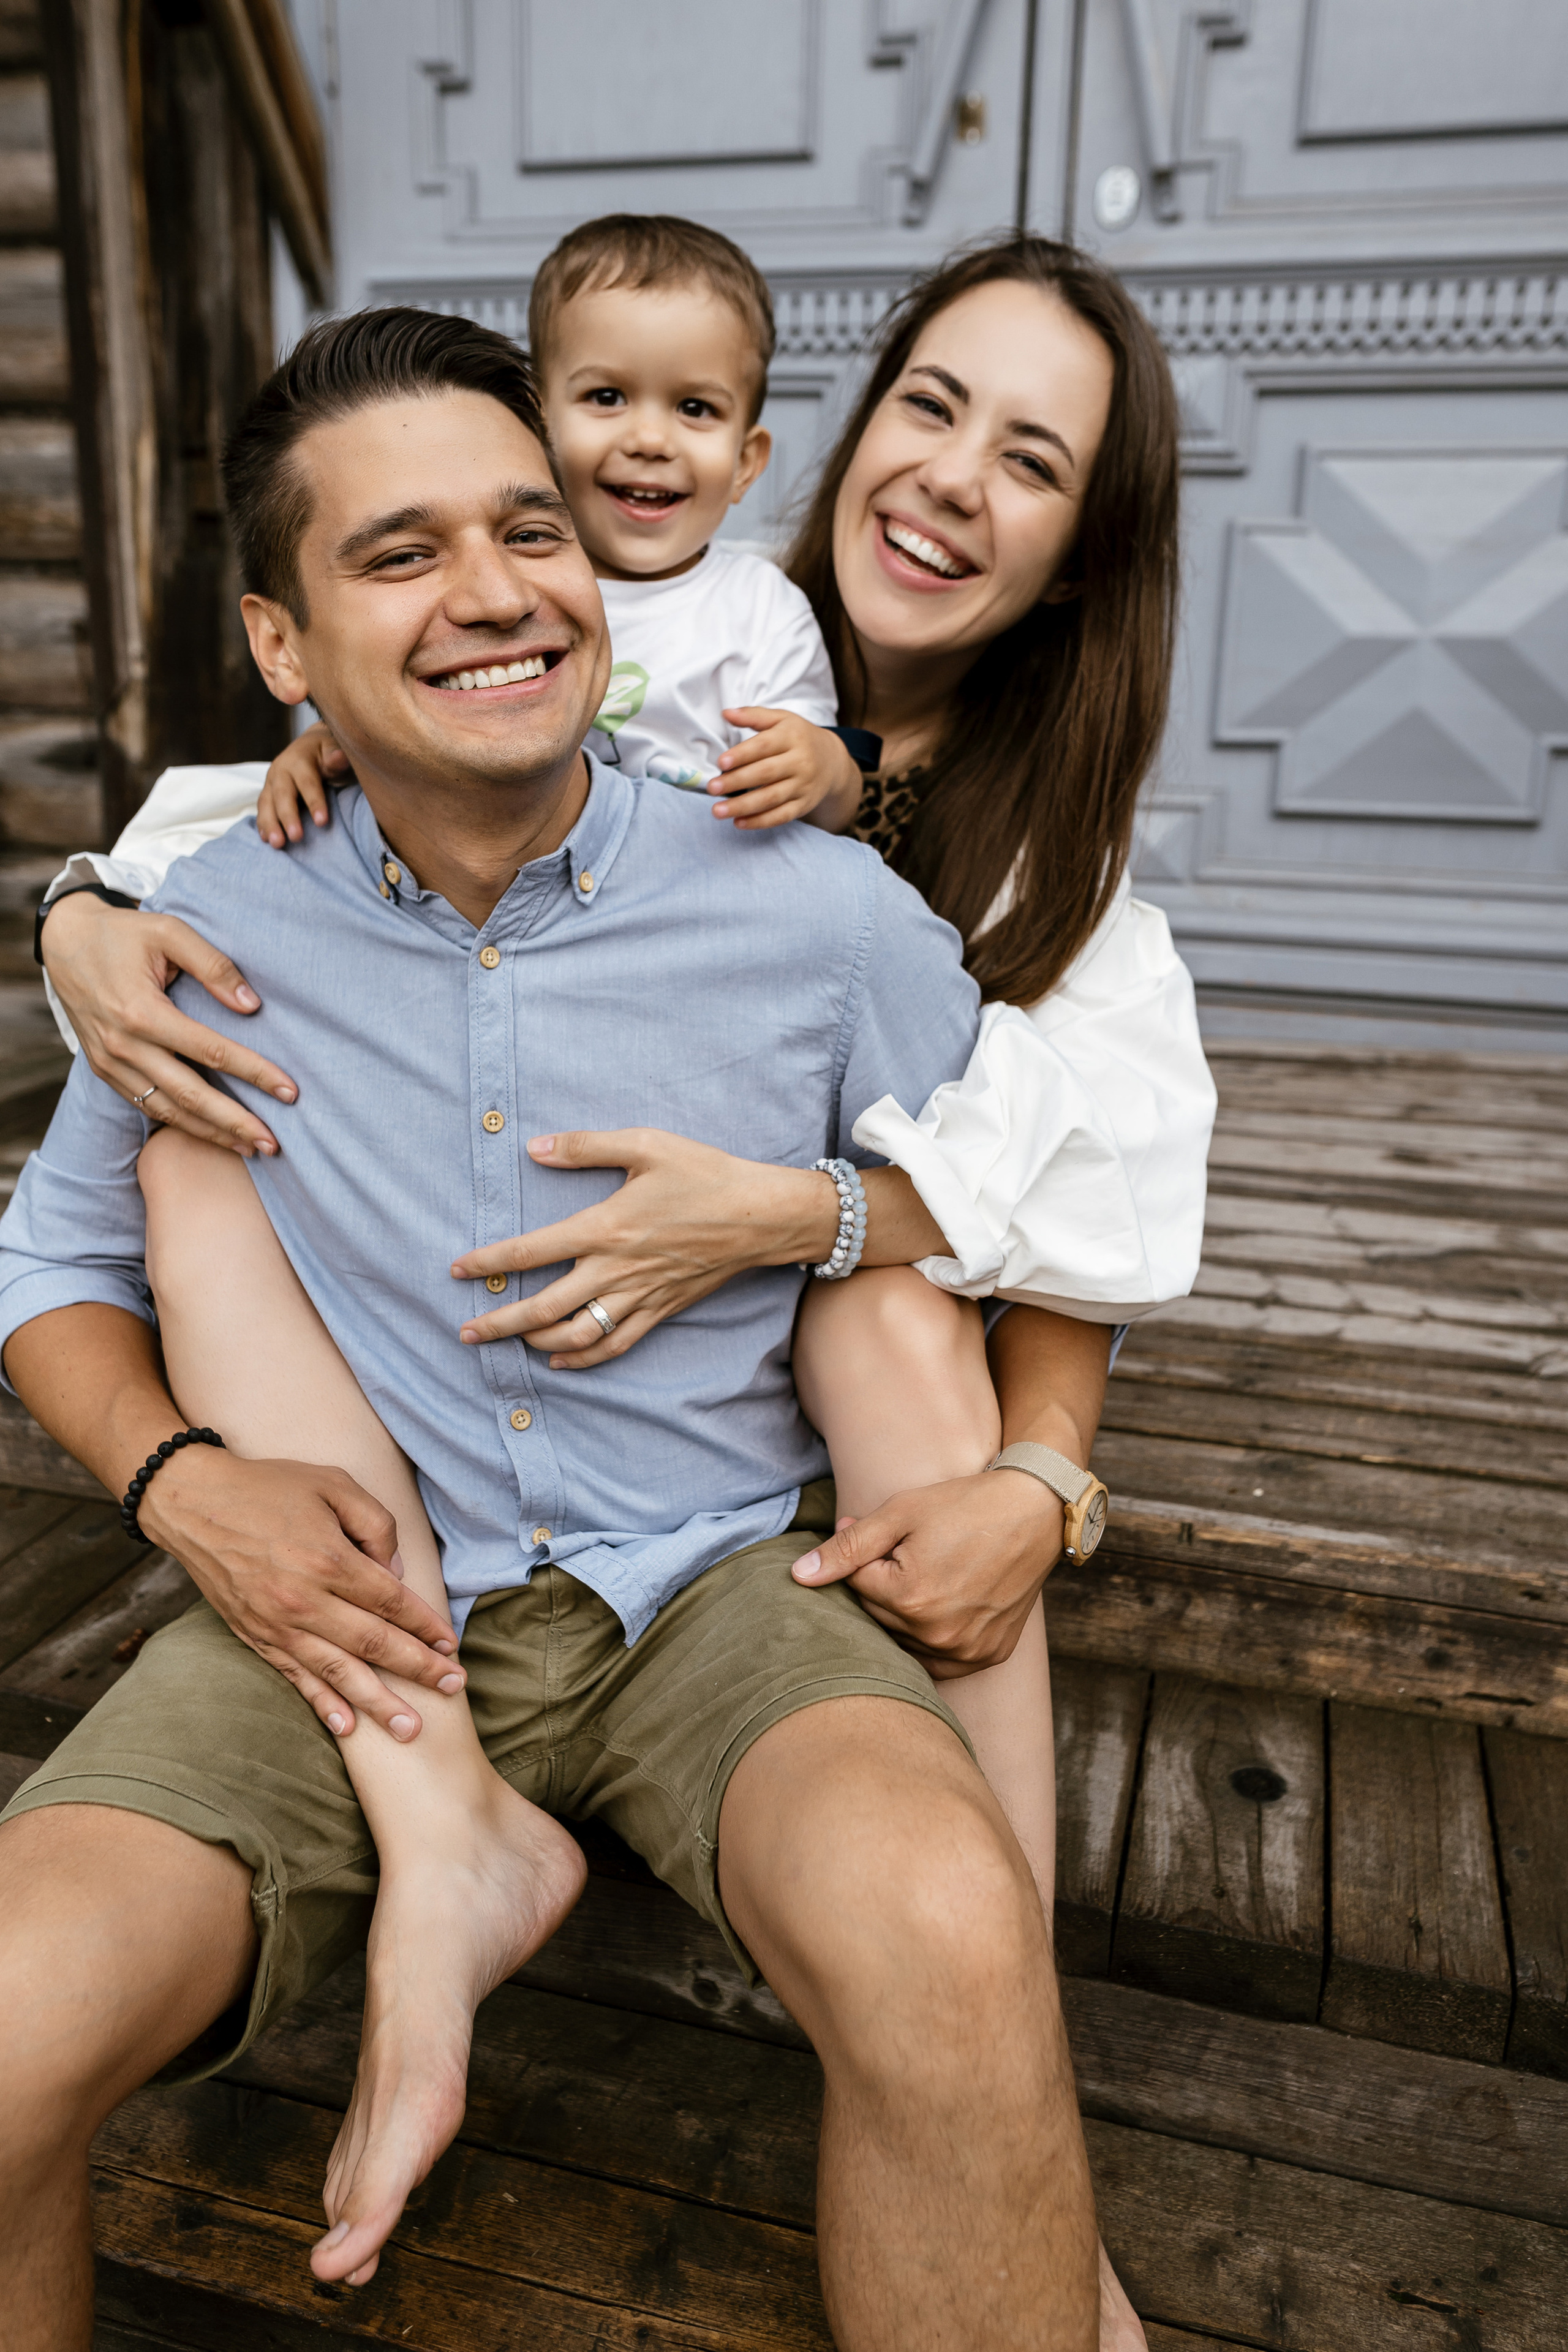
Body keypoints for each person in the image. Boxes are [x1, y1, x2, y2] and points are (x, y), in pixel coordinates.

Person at [0, 307, 1104, 2350]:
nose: (497, 593)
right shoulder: (199, 933)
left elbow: (1040, 1231)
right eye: (400, 553)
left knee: (954, 1935)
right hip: (344, 1611)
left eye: (530, 529)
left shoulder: (820, 907)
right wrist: (179, 1486)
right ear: (281, 648)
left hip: (726, 1588)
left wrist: (1045, 1474)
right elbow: (50, 1272)